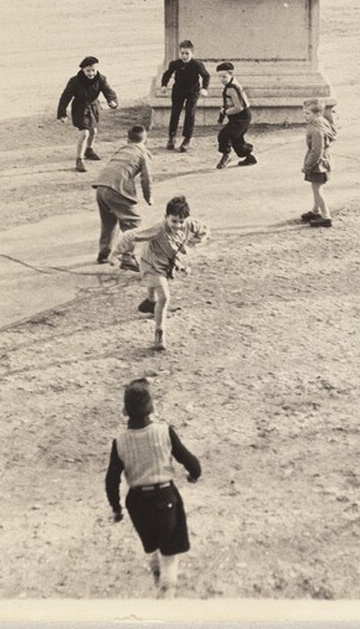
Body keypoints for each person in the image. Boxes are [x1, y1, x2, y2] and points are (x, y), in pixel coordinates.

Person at [105, 378, 201, 599]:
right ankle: (167, 590)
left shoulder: (119, 442)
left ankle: (155, 567)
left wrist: (116, 508)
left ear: (124, 411)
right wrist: (193, 475)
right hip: (164, 497)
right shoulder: (164, 432)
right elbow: (191, 462)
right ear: (153, 408)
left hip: (137, 503)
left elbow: (111, 480)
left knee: (152, 540)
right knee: (171, 549)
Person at [112, 196, 209, 352]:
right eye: (174, 221)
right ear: (166, 217)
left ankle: (150, 302)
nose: (178, 225)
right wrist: (115, 253)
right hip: (150, 263)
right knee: (164, 297)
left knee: (156, 291)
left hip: (165, 264)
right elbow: (130, 235)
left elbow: (204, 230)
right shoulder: (159, 228)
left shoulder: (189, 223)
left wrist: (188, 245)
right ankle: (159, 334)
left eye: (181, 221)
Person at [93, 126, 153, 264]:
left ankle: (104, 252)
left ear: (128, 139)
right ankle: (127, 256)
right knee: (133, 223)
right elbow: (146, 178)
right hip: (117, 188)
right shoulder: (143, 152)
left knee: (108, 221)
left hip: (101, 185)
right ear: (145, 140)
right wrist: (148, 196)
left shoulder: (122, 149)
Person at [57, 56, 118, 172]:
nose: (91, 73)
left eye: (93, 70)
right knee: (84, 133)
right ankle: (79, 159)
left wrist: (112, 101)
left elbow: (108, 91)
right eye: (88, 71)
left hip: (94, 108)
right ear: (82, 70)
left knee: (93, 131)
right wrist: (62, 114)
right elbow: (65, 97)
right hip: (80, 109)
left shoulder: (101, 79)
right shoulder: (74, 81)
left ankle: (89, 150)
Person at [160, 40, 211, 152]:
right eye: (182, 53)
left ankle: (187, 139)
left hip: (193, 91)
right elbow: (167, 74)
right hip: (178, 91)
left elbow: (206, 76)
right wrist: (164, 85)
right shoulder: (175, 64)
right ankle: (171, 137)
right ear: (179, 53)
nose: (184, 56)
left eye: (187, 53)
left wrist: (204, 88)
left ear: (192, 53)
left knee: (190, 113)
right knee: (175, 113)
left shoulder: (197, 64)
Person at [300, 99, 337, 228]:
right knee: (316, 187)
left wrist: (307, 166)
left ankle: (326, 216)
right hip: (325, 160)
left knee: (317, 190)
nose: (305, 116)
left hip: (318, 164)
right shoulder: (323, 123)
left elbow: (316, 151)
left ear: (317, 114)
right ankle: (315, 211)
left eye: (307, 114)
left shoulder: (316, 130)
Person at [215, 61, 256, 168]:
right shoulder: (231, 85)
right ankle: (249, 158)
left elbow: (239, 107)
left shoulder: (232, 88)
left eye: (224, 76)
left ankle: (226, 155)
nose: (222, 79)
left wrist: (225, 112)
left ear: (231, 74)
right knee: (236, 139)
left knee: (224, 135)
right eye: (219, 77)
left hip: (241, 117)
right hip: (240, 116)